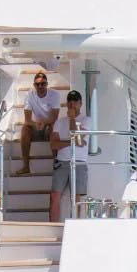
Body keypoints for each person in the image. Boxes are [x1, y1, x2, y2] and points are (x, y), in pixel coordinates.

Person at [49, 90, 89, 222]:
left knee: (76, 197)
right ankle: (53, 226)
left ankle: (76, 224)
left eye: (75, 101)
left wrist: (72, 119)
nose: (72, 104)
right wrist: (72, 142)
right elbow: (54, 145)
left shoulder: (86, 120)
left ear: (80, 103)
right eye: (70, 101)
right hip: (62, 161)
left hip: (79, 162)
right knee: (54, 195)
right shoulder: (59, 122)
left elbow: (77, 137)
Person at [16, 71, 62, 177]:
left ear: (47, 84)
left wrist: (43, 123)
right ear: (34, 85)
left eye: (43, 83)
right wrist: (36, 124)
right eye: (37, 84)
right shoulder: (29, 95)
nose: (40, 86)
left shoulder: (54, 94)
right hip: (36, 126)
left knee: (52, 127)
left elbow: (54, 118)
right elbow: (27, 120)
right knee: (25, 129)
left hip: (49, 126)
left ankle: (56, 162)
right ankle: (26, 166)